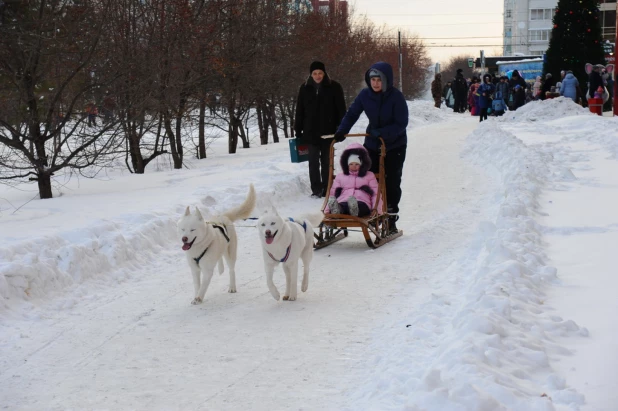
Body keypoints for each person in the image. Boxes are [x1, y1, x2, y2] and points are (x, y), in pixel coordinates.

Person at [333, 61, 408, 234]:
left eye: (379, 80)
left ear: (386, 80)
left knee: (391, 182)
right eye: (373, 79)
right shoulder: (365, 95)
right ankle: (368, 210)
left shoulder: (396, 97)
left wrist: (382, 132)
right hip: (373, 144)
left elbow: (401, 123)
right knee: (369, 179)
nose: (375, 83)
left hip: (395, 145)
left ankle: (390, 217)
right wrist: (341, 131)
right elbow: (352, 113)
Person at [295, 61, 346, 198]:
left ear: (324, 73)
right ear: (310, 74)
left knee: (326, 162)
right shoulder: (305, 88)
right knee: (313, 162)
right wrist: (298, 129)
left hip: (328, 132)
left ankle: (327, 188)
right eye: (314, 73)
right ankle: (316, 189)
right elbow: (300, 110)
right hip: (310, 132)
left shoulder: (334, 87)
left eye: (320, 73)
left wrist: (342, 129)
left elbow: (341, 110)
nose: (317, 76)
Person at [325, 143, 380, 217]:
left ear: (362, 164)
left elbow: (375, 194)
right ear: (346, 164)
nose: (354, 166)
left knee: (361, 206)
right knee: (342, 205)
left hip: (362, 201)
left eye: (357, 164)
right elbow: (333, 194)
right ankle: (338, 210)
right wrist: (327, 211)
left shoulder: (369, 175)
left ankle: (354, 209)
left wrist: (376, 210)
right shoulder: (340, 176)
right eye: (351, 164)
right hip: (344, 200)